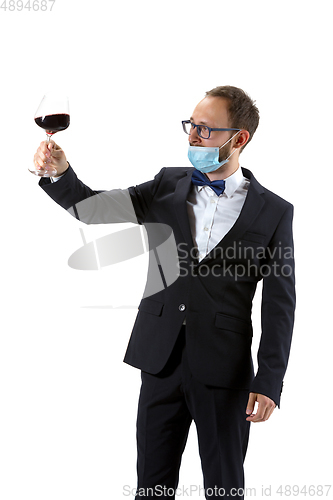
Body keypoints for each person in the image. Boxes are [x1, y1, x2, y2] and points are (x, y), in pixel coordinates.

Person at [33, 86, 296, 499]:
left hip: (225, 372)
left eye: (205, 129)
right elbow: (93, 208)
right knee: (152, 488)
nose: (192, 135)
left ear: (239, 139)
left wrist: (270, 381)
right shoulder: (166, 185)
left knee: (224, 488)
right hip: (160, 359)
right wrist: (60, 174)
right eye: (191, 125)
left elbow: (280, 305)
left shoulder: (275, 211)